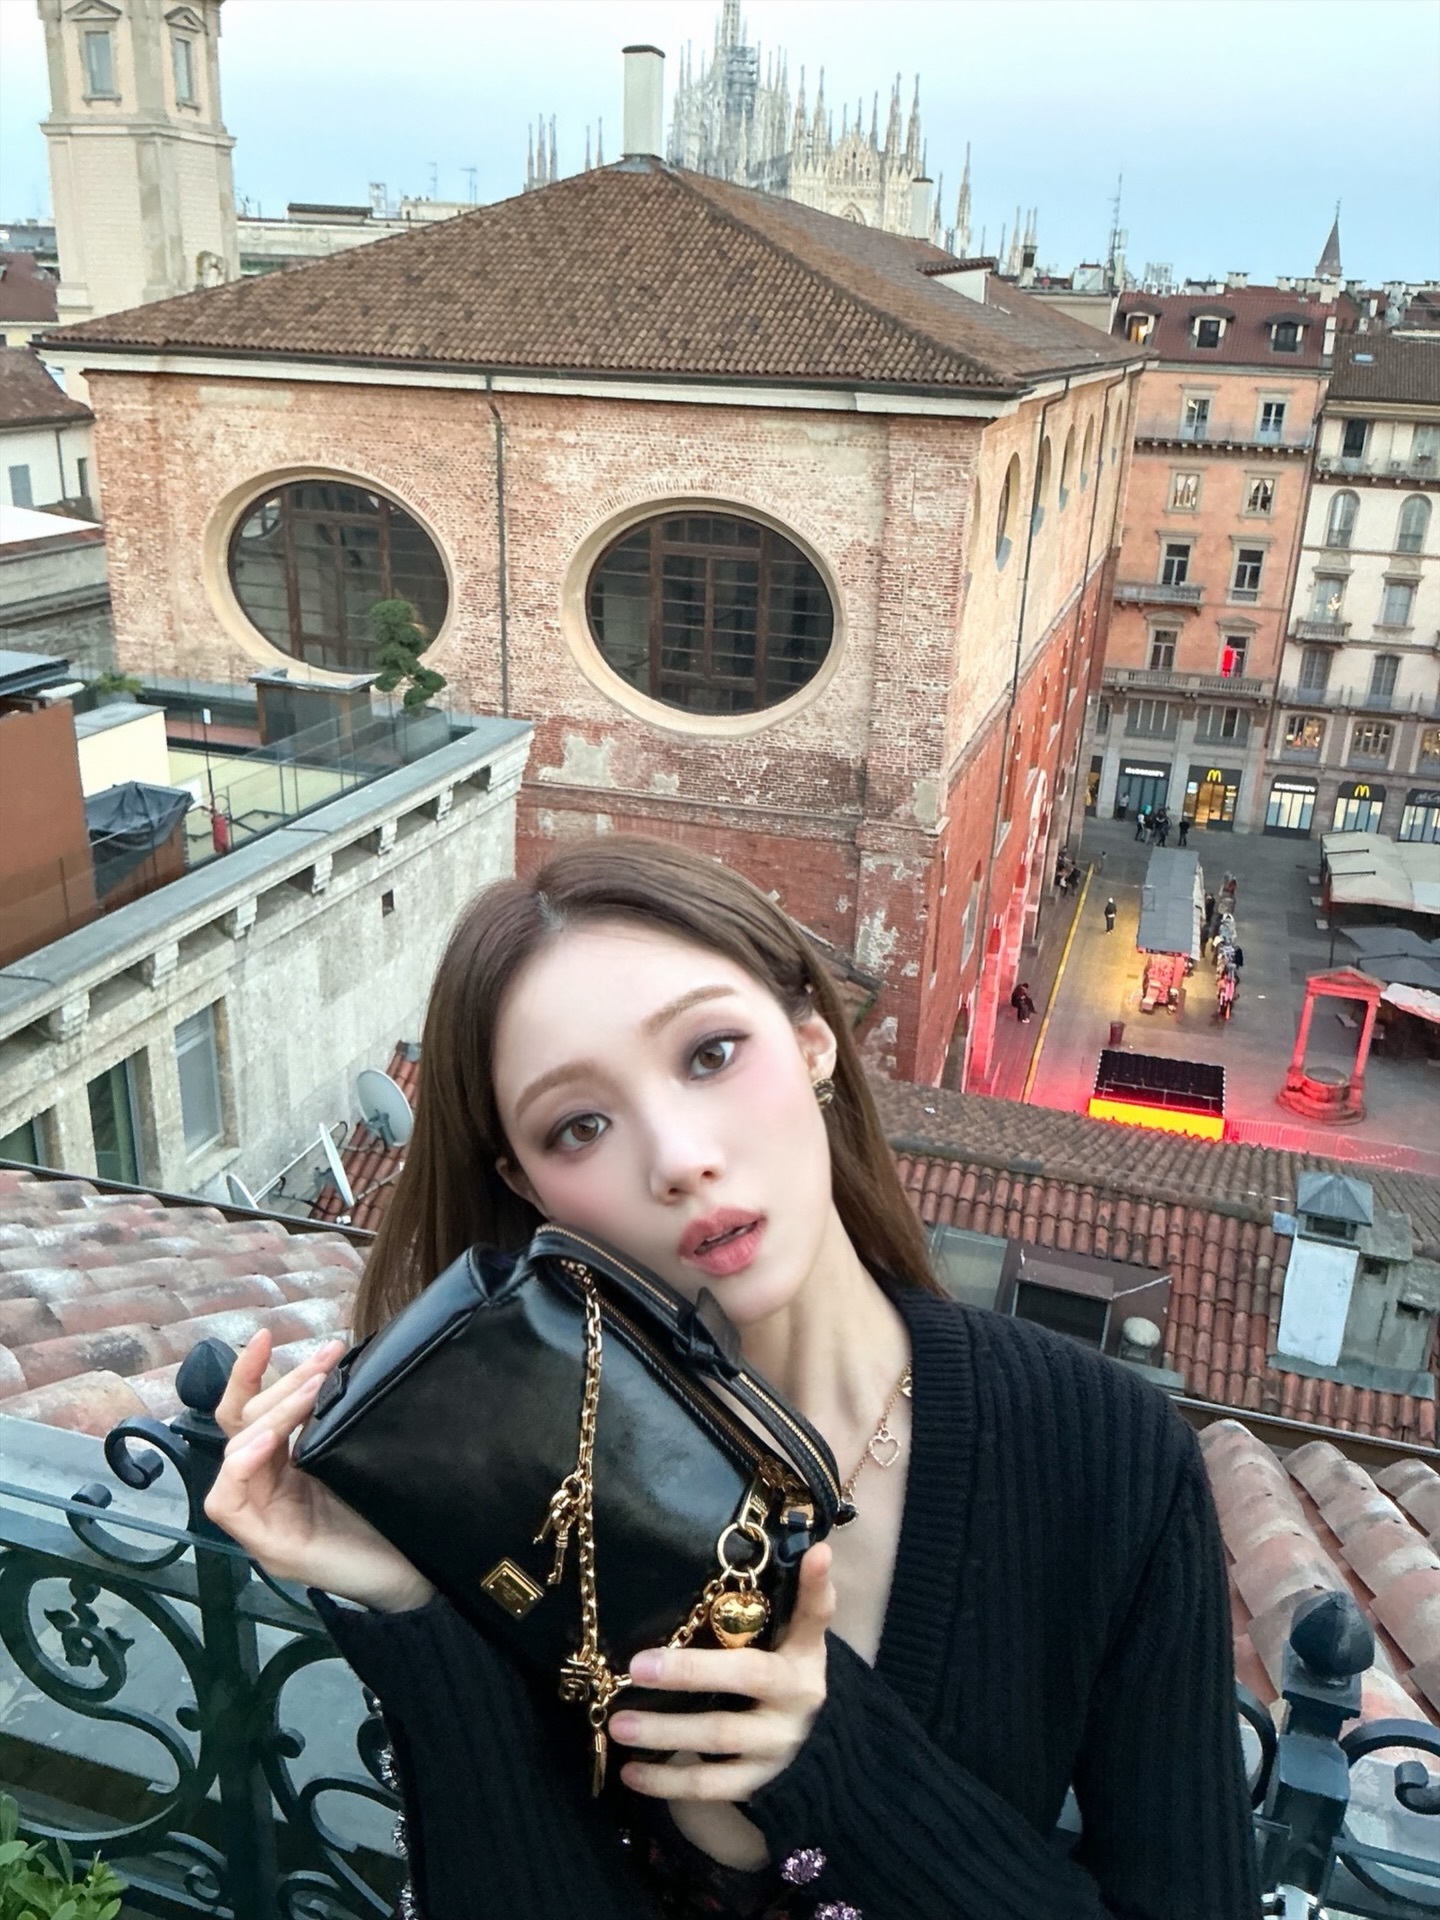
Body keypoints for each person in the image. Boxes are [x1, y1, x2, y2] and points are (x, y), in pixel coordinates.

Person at [205, 839, 1261, 1920]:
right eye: (580, 1126)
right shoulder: (508, 1487)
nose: (678, 1157)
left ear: (811, 1039)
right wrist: (413, 1604)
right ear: (530, 1189)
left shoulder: (1106, 1459)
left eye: (711, 1053)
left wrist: (832, 1764)